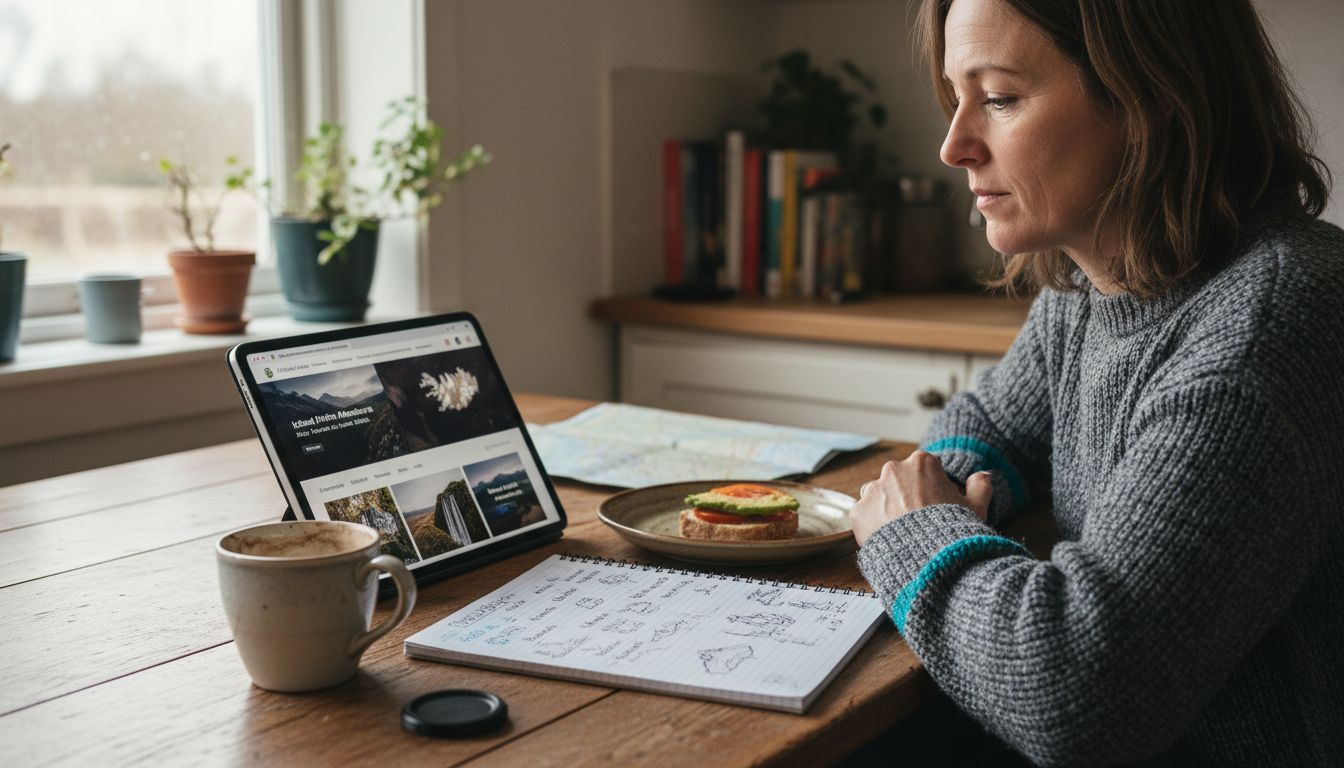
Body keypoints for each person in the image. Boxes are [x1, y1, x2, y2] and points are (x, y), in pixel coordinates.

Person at [849, 0, 1343, 765]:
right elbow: (992, 424)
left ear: (1148, 95)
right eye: (957, 97)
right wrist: (954, 490)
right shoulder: (1096, 284)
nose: (954, 147)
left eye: (1001, 98)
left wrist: (916, 535)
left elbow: (1075, 688)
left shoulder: (1265, 330)